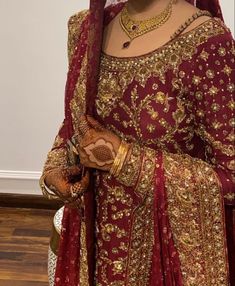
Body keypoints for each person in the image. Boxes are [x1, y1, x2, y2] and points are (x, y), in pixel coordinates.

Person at [40, 0, 235, 285]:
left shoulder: (206, 43)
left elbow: (230, 176)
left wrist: (123, 158)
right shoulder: (87, 29)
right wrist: (56, 166)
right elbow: (74, 123)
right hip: (89, 244)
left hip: (164, 255)